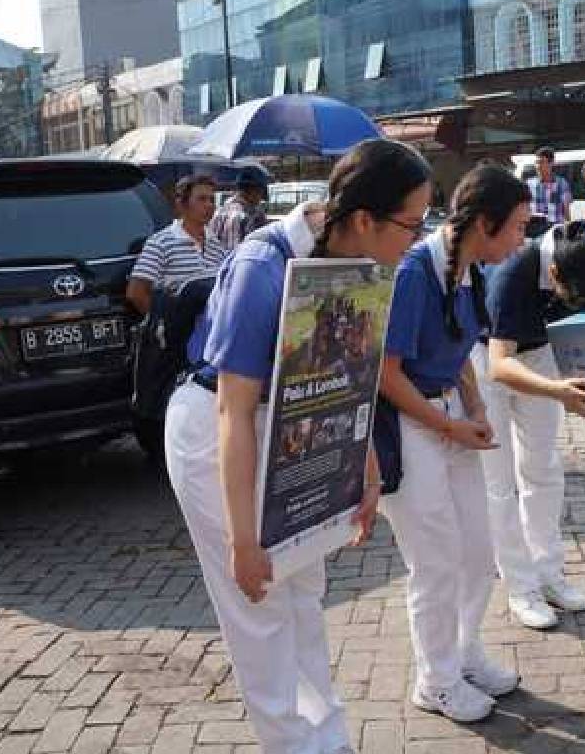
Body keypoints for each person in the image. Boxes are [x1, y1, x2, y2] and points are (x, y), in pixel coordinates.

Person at [163, 139, 432, 754]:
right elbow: (234, 409)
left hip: (298, 425)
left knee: (303, 588)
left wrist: (362, 473)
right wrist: (243, 542)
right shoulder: (264, 266)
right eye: (411, 225)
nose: (416, 240)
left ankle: (327, 737)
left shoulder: (356, 264)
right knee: (256, 598)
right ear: (365, 219)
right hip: (220, 432)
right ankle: (292, 744)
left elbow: (347, 375)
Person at [378, 164, 531, 723]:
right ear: (485, 223)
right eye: (515, 228)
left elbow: (463, 347)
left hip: (450, 418)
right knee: (435, 561)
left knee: (477, 549)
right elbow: (387, 375)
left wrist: (474, 406)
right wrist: (451, 425)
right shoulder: (415, 273)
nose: (521, 241)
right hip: (411, 424)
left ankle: (464, 651)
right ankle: (435, 679)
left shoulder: (468, 268)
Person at [472, 220, 585, 630]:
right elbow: (501, 366)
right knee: (498, 483)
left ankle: (549, 574)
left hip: (538, 352)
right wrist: (559, 391)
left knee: (543, 469)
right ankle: (521, 587)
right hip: (489, 361)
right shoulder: (513, 272)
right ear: (553, 273)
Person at [126, 174, 226, 316]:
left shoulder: (216, 245)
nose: (209, 205)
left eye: (212, 199)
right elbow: (136, 292)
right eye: (201, 199)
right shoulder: (161, 242)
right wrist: (163, 324)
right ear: (182, 204)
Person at [210, 168, 270, 251]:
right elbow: (236, 252)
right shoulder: (240, 216)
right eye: (260, 192)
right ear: (251, 191)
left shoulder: (219, 211)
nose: (260, 199)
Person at [526, 146, 573, 228]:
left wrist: (568, 229)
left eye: (541, 162)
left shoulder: (562, 184)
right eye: (536, 162)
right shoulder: (529, 184)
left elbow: (566, 211)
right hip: (535, 230)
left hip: (555, 229)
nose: (538, 166)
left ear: (551, 163)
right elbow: (525, 208)